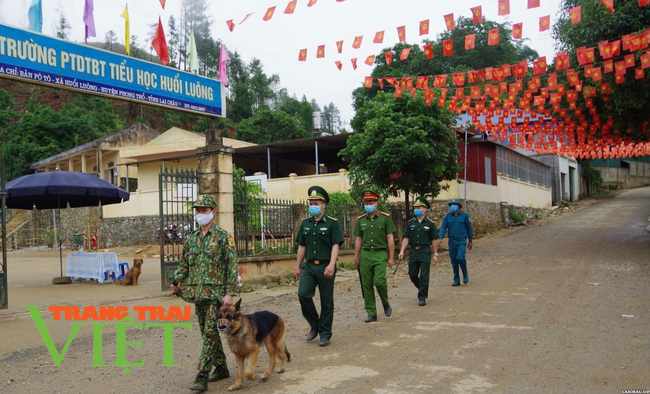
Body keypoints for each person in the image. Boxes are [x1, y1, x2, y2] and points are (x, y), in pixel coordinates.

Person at [170, 194, 239, 392]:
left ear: (213, 212)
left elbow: (232, 267)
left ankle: (202, 375)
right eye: (198, 210)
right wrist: (176, 280)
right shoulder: (192, 239)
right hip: (197, 294)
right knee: (207, 333)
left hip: (217, 297)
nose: (200, 214)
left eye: (204, 210)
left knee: (210, 333)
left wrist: (230, 293)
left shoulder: (224, 237)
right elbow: (184, 265)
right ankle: (222, 367)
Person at [294, 186, 344, 347]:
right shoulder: (305, 224)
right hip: (309, 266)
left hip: (325, 266)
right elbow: (302, 246)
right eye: (311, 203)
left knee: (326, 301)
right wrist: (297, 266)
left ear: (323, 205)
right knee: (303, 295)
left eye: (316, 203)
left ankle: (325, 333)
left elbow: (336, 245)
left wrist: (331, 264)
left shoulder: (332, 224)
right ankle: (315, 324)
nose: (313, 206)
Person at [353, 188, 396, 323]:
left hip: (380, 254)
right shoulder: (361, 220)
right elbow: (358, 240)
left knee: (380, 282)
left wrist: (391, 257)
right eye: (366, 202)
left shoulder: (385, 218)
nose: (369, 204)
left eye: (371, 201)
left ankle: (385, 302)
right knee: (366, 284)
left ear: (377, 203)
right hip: (365, 254)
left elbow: (390, 238)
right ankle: (371, 312)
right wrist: (356, 256)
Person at [398, 196, 439, 306]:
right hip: (413, 251)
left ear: (425, 209)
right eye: (415, 207)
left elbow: (434, 240)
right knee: (412, 274)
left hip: (425, 251)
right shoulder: (411, 223)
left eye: (419, 207)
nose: (416, 208)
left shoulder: (430, 224)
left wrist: (435, 254)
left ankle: (422, 297)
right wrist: (401, 251)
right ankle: (422, 288)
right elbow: (406, 238)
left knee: (424, 275)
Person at [438, 198, 473, 287]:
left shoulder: (464, 216)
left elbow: (469, 228)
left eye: (455, 205)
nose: (453, 206)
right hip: (452, 241)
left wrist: (470, 240)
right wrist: (440, 237)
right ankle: (456, 279)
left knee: (460, 257)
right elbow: (443, 227)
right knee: (454, 261)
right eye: (451, 205)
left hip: (461, 240)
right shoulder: (447, 217)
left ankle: (465, 274)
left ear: (459, 207)